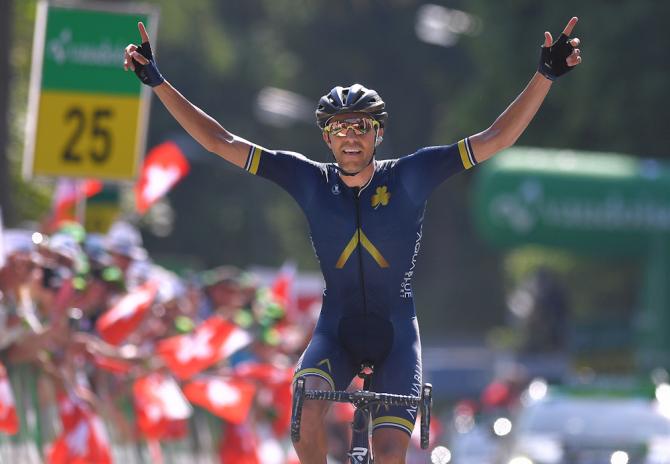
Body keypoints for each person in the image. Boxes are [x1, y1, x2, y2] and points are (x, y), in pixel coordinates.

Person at [124, 16, 582, 464]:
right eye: (339, 128)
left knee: (387, 454)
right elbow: (220, 141)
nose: (350, 137)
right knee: (303, 418)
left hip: (396, 336)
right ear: (325, 137)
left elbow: (497, 137)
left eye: (360, 126)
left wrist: (544, 75)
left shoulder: (411, 175)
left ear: (378, 132)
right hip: (335, 332)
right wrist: (158, 82)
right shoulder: (308, 180)